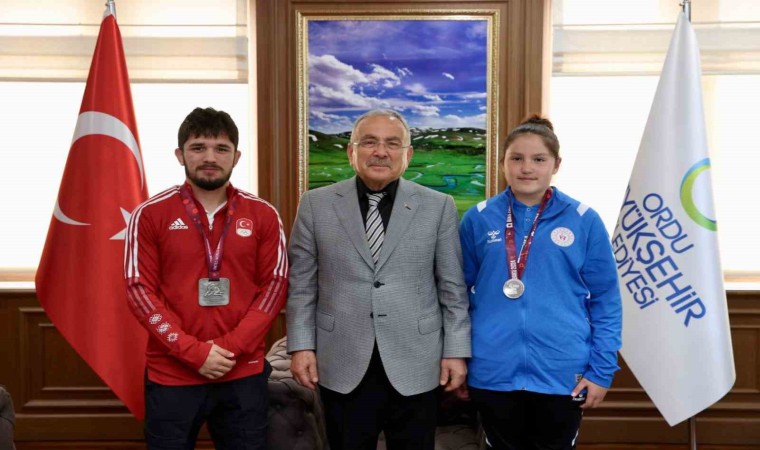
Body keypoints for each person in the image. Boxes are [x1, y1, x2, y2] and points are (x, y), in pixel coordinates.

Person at [287, 108, 471, 450]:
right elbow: (301, 286)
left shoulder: (438, 206)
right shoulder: (315, 204)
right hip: (341, 360)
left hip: (417, 359)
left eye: (392, 143)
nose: (381, 152)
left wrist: (456, 352)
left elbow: (452, 288)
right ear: (351, 151)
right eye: (369, 142)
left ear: (408, 154)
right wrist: (301, 347)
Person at [124, 107, 288, 450]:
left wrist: (229, 348)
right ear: (180, 154)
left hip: (242, 372)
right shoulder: (150, 214)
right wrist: (193, 352)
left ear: (236, 157)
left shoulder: (263, 214)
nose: (210, 157)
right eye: (198, 147)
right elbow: (140, 291)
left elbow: (274, 287)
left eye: (221, 148)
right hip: (172, 373)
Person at [458, 115, 622, 450]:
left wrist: (602, 370)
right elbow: (456, 296)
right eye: (516, 158)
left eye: (539, 159)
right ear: (503, 163)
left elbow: (606, 300)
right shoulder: (478, 218)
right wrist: (458, 357)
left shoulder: (584, 220)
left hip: (562, 372)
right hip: (492, 371)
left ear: (556, 165)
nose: (526, 168)